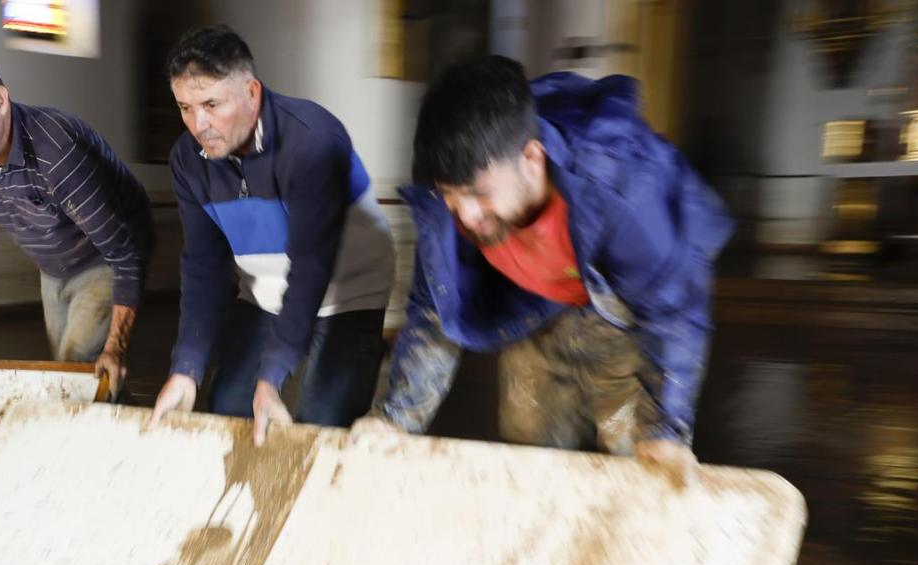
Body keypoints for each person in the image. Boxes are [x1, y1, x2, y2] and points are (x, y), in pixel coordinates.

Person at [356, 56, 733, 485]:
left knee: (637, 467)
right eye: (451, 194)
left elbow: (673, 310)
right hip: (533, 315)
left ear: (532, 158)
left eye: (479, 193)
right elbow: (433, 314)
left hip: (620, 322)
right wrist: (394, 418)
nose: (467, 214)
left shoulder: (621, 188)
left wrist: (668, 426)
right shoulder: (450, 209)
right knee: (530, 470)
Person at [148, 25, 395, 444]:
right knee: (227, 405)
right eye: (185, 107)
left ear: (251, 93)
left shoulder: (313, 142)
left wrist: (272, 375)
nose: (198, 124)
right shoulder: (188, 161)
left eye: (211, 103)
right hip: (264, 292)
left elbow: (312, 266)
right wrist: (186, 369)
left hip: (348, 290)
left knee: (322, 423)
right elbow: (204, 267)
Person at [0, 51, 154, 396]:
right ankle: (123, 422)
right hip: (54, 266)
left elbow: (123, 252)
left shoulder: (55, 149)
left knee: (76, 367)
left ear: (0, 101)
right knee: (77, 376)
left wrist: (115, 347)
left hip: (105, 253)